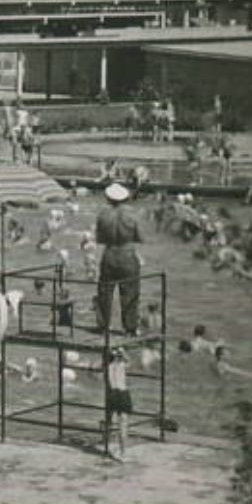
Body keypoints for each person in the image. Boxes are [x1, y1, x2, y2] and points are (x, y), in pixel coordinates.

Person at [96, 183, 144, 336]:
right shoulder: (132, 215)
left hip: (109, 254)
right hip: (128, 254)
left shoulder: (103, 215)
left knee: (105, 292)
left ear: (108, 198)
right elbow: (140, 237)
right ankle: (130, 328)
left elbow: (99, 239)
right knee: (130, 292)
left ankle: (104, 326)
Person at [106, 346, 133, 462]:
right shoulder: (122, 365)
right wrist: (123, 351)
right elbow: (129, 361)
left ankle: (109, 446)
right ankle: (123, 453)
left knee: (110, 421)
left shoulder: (107, 366)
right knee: (123, 424)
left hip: (112, 392)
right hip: (122, 393)